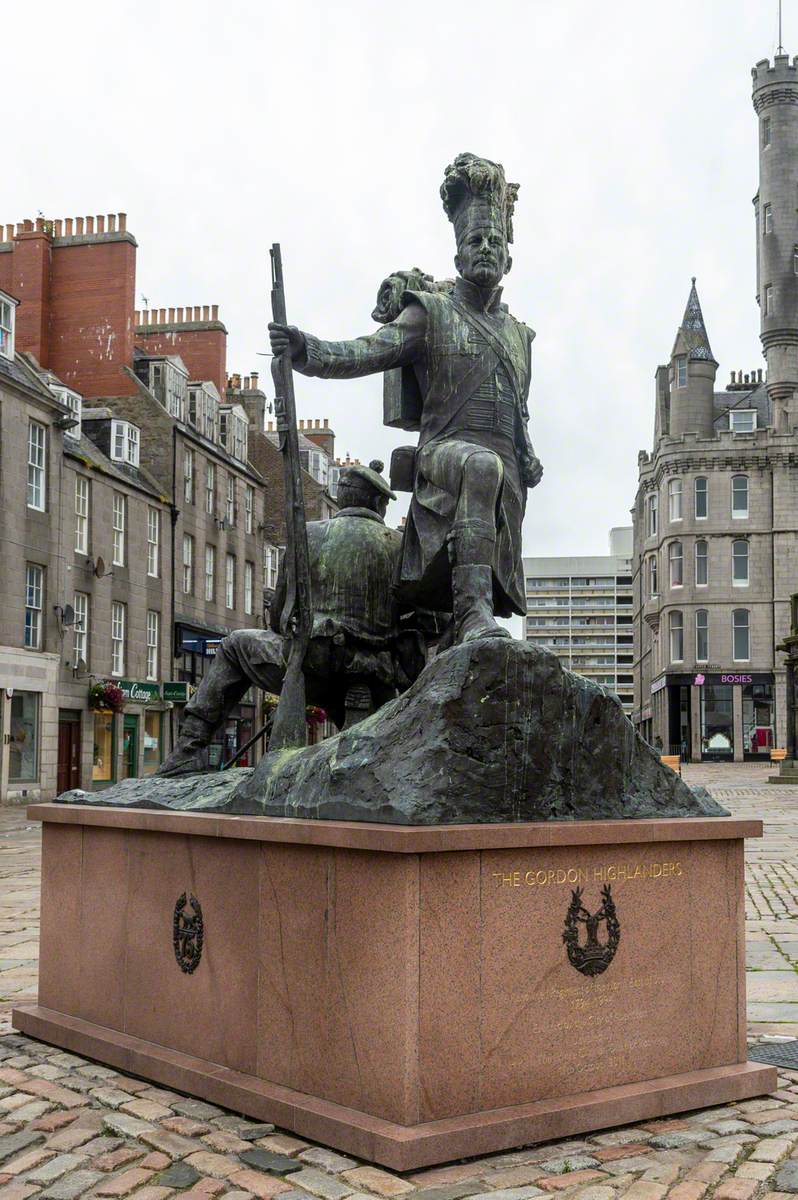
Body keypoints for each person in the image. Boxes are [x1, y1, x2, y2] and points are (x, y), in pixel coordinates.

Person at [269, 152, 543, 645]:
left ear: (508, 259)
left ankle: (464, 625)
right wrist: (306, 350)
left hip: (504, 466)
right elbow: (366, 352)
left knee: (492, 468)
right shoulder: (432, 314)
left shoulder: (521, 337)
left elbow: (517, 408)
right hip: (445, 454)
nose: (483, 248)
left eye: (493, 242)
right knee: (481, 467)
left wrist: (527, 452)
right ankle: (473, 612)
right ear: (458, 256)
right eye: (473, 241)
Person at [157, 460, 425, 777]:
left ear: (341, 499)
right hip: (374, 671)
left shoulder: (307, 536)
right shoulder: (399, 545)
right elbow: (419, 619)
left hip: (312, 663)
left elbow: (279, 614)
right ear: (379, 503)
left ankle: (187, 750)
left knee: (233, 646)